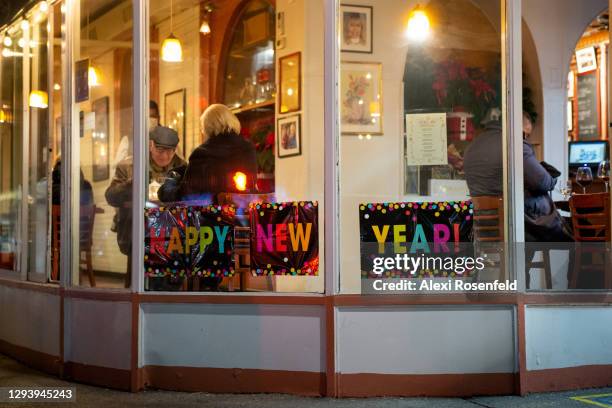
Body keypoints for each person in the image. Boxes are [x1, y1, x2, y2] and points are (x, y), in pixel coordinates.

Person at [464, 109, 572, 242]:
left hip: (482, 226)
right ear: (518, 127)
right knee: (570, 235)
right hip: (512, 225)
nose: (526, 139)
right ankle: (579, 258)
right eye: (525, 135)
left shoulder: (473, 146)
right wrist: (552, 179)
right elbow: (542, 182)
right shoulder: (514, 143)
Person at [105, 125, 187, 287]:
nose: (166, 156)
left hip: (172, 231)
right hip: (139, 230)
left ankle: (169, 291)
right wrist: (132, 184)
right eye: (160, 150)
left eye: (170, 151)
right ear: (150, 145)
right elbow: (111, 196)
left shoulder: (181, 166)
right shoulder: (130, 165)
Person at [161, 104, 257, 203]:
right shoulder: (248, 149)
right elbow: (249, 187)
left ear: (207, 127)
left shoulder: (202, 154)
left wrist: (169, 184)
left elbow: (185, 195)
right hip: (243, 215)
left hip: (210, 217)